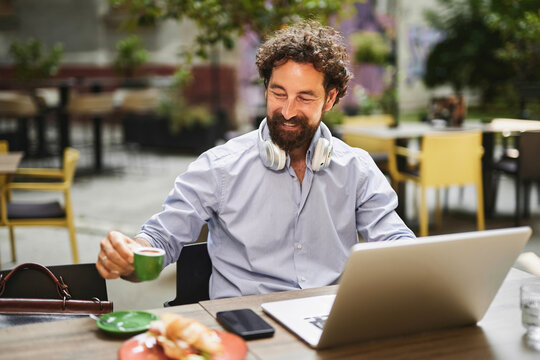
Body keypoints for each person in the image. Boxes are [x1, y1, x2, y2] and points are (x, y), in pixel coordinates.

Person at [96, 21, 415, 299]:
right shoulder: (218, 167)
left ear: (330, 98)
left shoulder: (356, 169)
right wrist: (130, 256)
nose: (288, 110)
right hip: (247, 325)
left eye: (304, 97)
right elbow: (160, 239)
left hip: (329, 321)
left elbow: (395, 241)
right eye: (279, 93)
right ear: (265, 88)